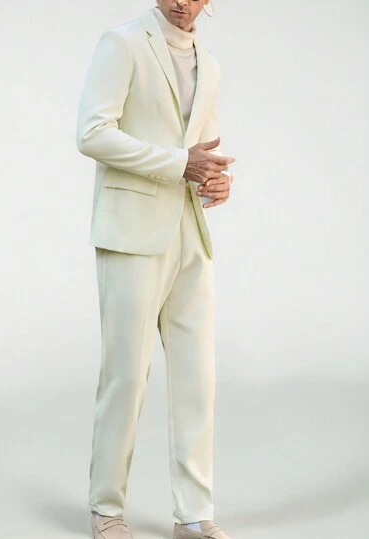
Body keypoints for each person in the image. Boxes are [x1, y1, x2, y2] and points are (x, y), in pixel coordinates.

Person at [76, 1, 235, 538]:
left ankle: (194, 514)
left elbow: (202, 151)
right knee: (126, 375)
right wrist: (178, 163)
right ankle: (106, 508)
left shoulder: (210, 65)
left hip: (191, 233)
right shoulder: (122, 42)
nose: (182, 1)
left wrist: (215, 181)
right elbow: (92, 133)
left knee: (198, 379)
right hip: (132, 231)